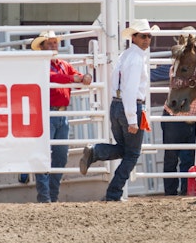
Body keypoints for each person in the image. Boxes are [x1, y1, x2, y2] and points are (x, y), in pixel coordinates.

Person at [79, 19, 156, 201]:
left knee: (124, 149)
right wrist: (132, 119)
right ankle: (114, 192)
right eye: (143, 36)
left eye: (148, 36)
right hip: (130, 106)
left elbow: (117, 84)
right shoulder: (137, 59)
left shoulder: (126, 55)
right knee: (132, 154)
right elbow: (130, 89)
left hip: (117, 105)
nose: (147, 39)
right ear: (134, 37)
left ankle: (96, 152)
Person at [30, 31, 92, 203]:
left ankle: (51, 195)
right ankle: (45, 196)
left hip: (60, 113)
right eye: (49, 44)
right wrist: (76, 78)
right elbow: (60, 78)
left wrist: (83, 77)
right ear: (42, 47)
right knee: (46, 154)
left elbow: (76, 79)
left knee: (60, 155)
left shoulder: (63, 65)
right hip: (47, 112)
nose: (53, 46)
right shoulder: (42, 65)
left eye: (54, 43)